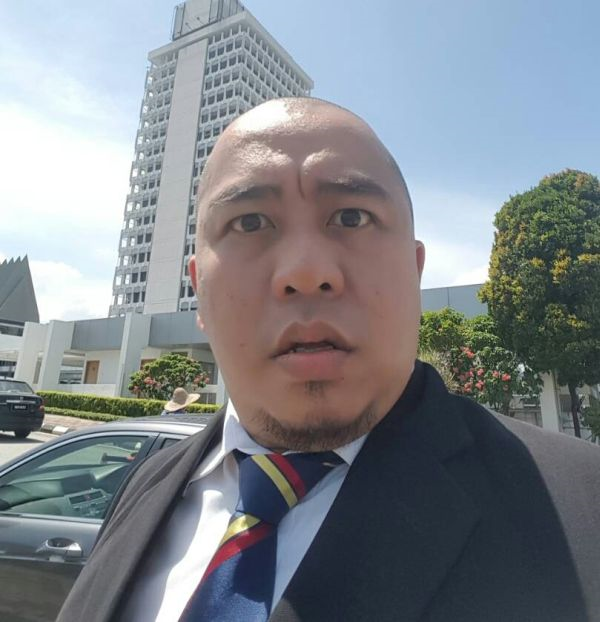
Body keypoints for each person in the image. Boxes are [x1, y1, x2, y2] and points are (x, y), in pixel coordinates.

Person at [58, 98, 600, 622]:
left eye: (351, 216)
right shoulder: (145, 486)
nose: (306, 271)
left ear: (414, 272)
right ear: (198, 289)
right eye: (250, 223)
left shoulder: (584, 508)